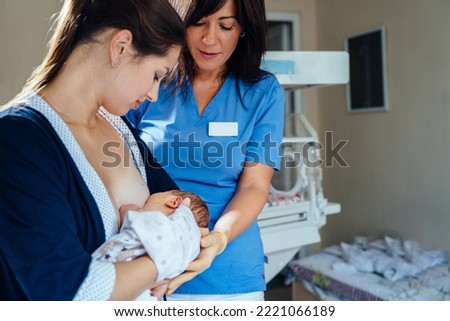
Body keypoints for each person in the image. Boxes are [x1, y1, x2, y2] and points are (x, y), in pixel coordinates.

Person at [0, 0, 196, 301]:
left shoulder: (118, 127)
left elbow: (187, 210)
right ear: (120, 46)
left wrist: (188, 238)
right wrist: (168, 253)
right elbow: (74, 294)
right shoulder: (16, 140)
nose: (153, 95)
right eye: (156, 75)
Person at [127, 0, 285, 300]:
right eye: (198, 22)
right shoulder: (152, 81)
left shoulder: (263, 92)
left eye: (226, 25)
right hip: (149, 267)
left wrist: (218, 239)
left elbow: (254, 185)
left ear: (242, 30)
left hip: (229, 273)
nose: (210, 38)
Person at [93, 190, 209, 300]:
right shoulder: (181, 255)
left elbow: (126, 212)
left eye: (163, 192)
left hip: (107, 278)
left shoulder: (155, 221)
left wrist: (131, 209)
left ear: (173, 202)